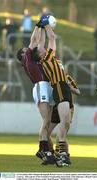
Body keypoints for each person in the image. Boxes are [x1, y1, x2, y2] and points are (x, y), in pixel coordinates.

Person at [31, 16, 73, 166]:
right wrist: (47, 23)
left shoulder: (45, 57)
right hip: (59, 87)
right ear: (41, 54)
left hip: (63, 87)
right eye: (41, 49)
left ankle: (61, 154)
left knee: (65, 123)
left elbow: (41, 42)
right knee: (64, 122)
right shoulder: (46, 59)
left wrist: (41, 27)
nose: (43, 47)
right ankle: (61, 155)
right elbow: (52, 38)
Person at [17, 25, 56, 165]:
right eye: (25, 49)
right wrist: (38, 26)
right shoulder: (27, 57)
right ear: (22, 55)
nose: (28, 49)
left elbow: (40, 43)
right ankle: (43, 150)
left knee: (48, 120)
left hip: (45, 86)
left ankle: (46, 151)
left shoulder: (32, 59)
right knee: (46, 120)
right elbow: (34, 40)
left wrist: (43, 29)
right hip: (41, 86)